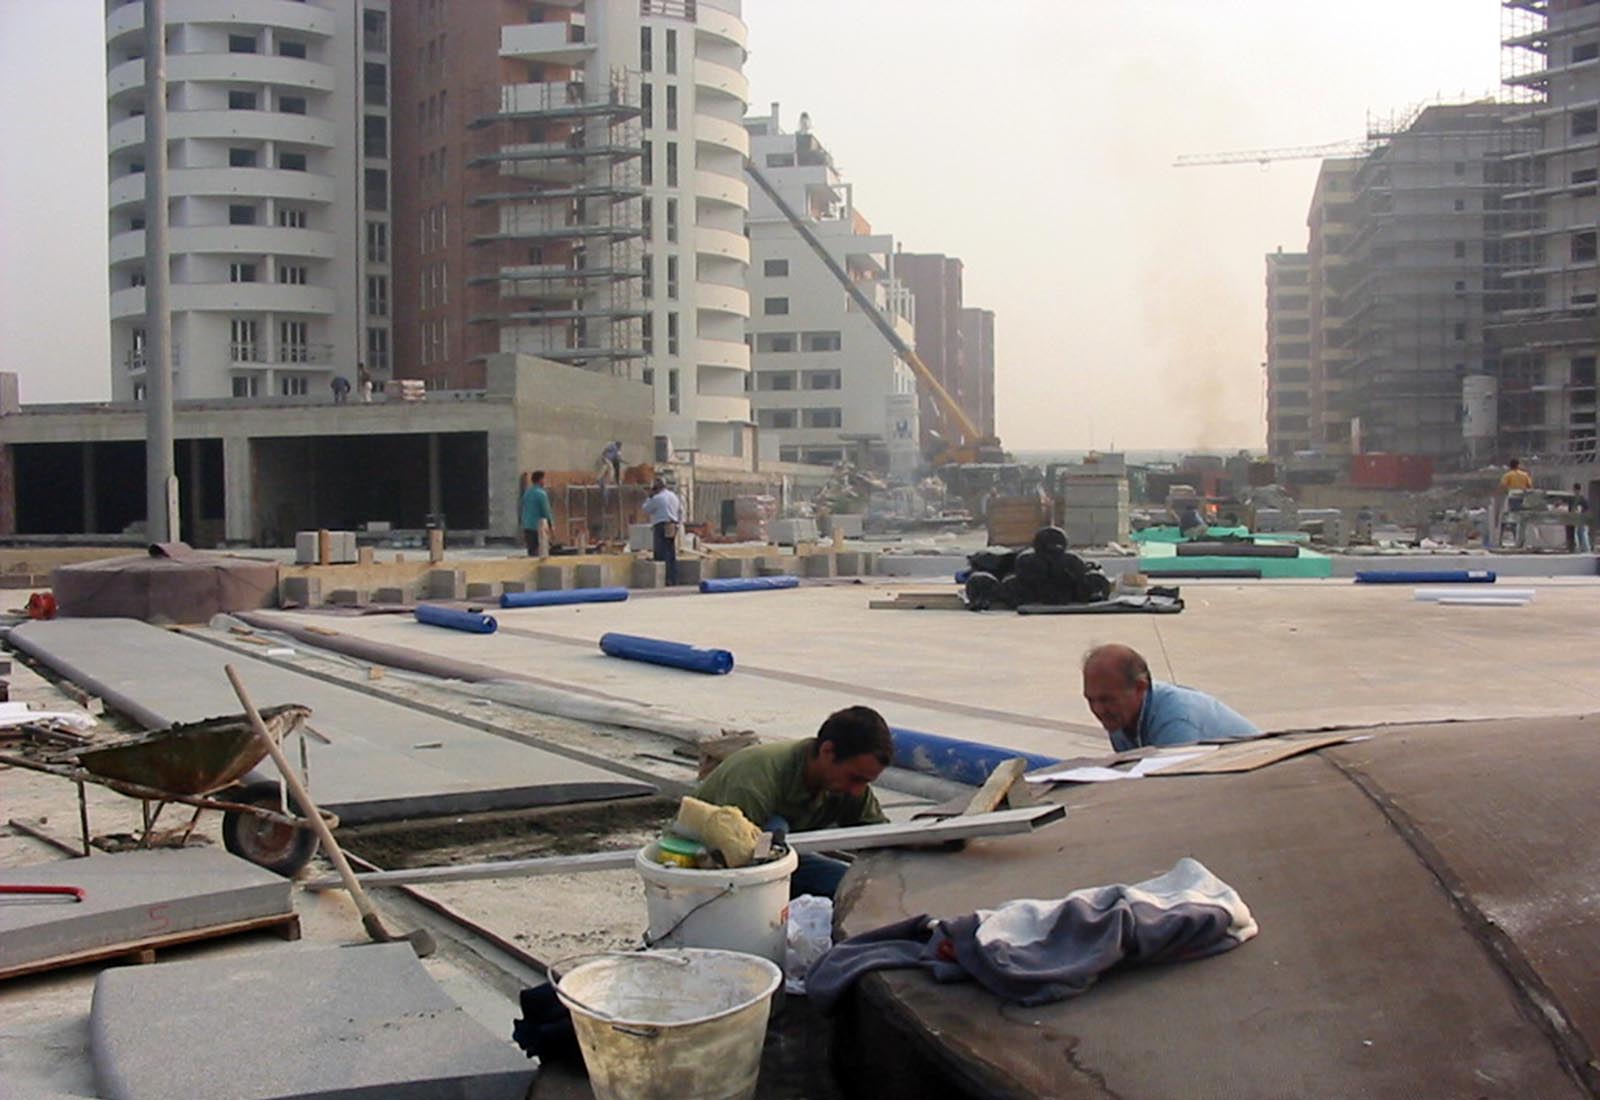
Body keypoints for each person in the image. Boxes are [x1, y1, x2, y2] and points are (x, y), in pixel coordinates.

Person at [695, 706, 892, 898]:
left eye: (865, 782)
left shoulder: (848, 785)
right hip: (713, 864)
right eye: (855, 778)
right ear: (827, 751)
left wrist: (917, 835)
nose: (857, 790)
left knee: (856, 888)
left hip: (778, 858)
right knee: (776, 828)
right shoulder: (755, 779)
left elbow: (878, 834)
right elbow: (738, 861)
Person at [1082, 643, 1259, 753]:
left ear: (1140, 688)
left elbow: (1176, 791)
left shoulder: (1177, 722)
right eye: (1091, 700)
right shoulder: (1121, 720)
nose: (1098, 710)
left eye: (1107, 700)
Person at [642, 477, 682, 585]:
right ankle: (673, 578)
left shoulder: (657, 498)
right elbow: (680, 510)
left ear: (656, 488)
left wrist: (649, 497)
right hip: (672, 524)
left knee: (661, 552)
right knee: (670, 551)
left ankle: (663, 579)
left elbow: (646, 508)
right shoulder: (673, 496)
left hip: (661, 525)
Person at [520, 470, 554, 559]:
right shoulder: (541, 494)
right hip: (539, 528)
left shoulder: (527, 493)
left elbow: (523, 508)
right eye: (544, 479)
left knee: (531, 552)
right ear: (540, 480)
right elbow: (546, 511)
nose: (544, 482)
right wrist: (551, 526)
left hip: (527, 526)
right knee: (541, 552)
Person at [1570, 483, 1592, 554]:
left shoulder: (1582, 498)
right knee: (1578, 533)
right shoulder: (1574, 498)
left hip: (1582, 518)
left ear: (1577, 490)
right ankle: (1580, 547)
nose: (1574, 491)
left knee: (1581, 532)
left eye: (1575, 490)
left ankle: (1585, 548)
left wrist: (1581, 512)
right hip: (1576, 518)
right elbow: (1571, 508)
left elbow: (1587, 508)